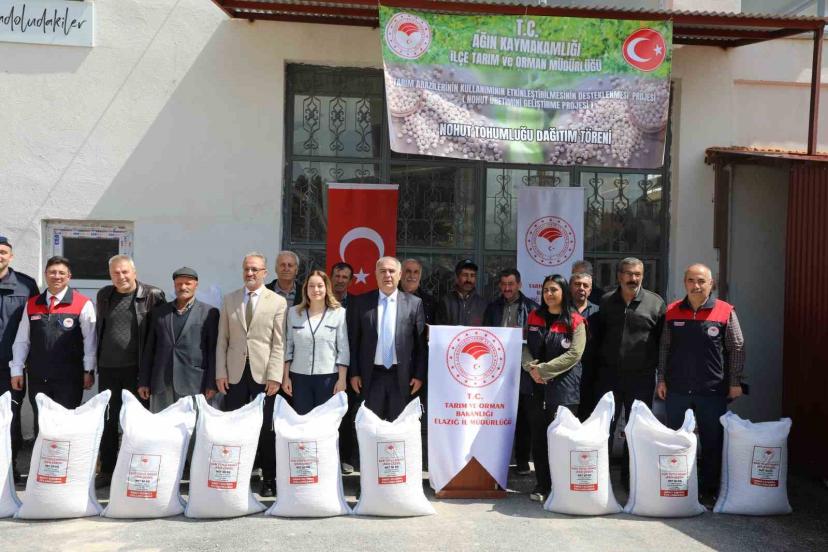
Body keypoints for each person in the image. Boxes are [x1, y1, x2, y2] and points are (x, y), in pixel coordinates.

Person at [657, 263, 745, 503]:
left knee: (712, 441)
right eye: (691, 280)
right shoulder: (672, 310)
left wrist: (735, 381)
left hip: (712, 390)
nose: (696, 285)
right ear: (684, 283)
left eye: (701, 281)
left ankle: (709, 490)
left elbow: (736, 347)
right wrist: (661, 378)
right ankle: (678, 489)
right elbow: (664, 347)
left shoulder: (725, 311)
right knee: (677, 440)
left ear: (711, 284)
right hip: (677, 389)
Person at [216, 252, 287, 497]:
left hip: (264, 375)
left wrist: (275, 375)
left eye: (255, 269)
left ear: (265, 272)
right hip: (234, 375)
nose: (250, 273)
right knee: (235, 426)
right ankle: (236, 477)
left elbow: (279, 343)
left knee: (266, 428)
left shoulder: (277, 302)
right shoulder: (230, 299)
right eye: (247, 269)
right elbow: (222, 340)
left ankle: (269, 479)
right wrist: (220, 372)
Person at [593, 257, 665, 489]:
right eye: (628, 274)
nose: (633, 279)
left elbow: (663, 343)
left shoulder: (655, 303)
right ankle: (601, 477)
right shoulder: (606, 301)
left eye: (638, 274)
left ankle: (630, 479)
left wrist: (661, 376)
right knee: (606, 426)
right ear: (619, 276)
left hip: (641, 378)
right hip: (609, 377)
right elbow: (599, 337)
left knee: (636, 429)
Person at [95, 254, 166, 487]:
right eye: (115, 273)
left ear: (134, 272)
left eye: (125, 271)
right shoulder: (104, 295)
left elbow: (160, 336)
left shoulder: (152, 295)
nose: (121, 276)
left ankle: (137, 469)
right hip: (107, 368)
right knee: (108, 420)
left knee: (136, 421)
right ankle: (107, 470)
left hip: (137, 370)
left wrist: (152, 372)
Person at [10, 256, 96, 434]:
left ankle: (65, 454)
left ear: (69, 276)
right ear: (45, 275)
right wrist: (16, 370)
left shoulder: (82, 303)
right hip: (38, 377)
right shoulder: (32, 304)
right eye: (52, 272)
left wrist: (88, 370)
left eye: (61, 273)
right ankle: (41, 453)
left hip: (69, 378)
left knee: (65, 424)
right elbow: (22, 340)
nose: (57, 276)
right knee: (41, 424)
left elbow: (90, 340)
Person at [524, 274, 586, 502]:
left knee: (561, 440)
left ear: (564, 292)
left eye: (554, 290)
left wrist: (544, 370)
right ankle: (542, 485)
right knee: (539, 439)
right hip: (535, 387)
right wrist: (531, 367)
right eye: (546, 290)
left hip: (564, 389)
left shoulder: (576, 321)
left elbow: (574, 354)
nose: (549, 294)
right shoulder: (534, 316)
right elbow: (524, 346)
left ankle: (562, 488)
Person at [348, 257, 426, 421]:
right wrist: (354, 373)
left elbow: (420, 345)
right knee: (370, 425)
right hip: (371, 376)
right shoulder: (361, 302)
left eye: (391, 271)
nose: (387, 275)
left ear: (400, 275)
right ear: (376, 275)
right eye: (383, 271)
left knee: (398, 426)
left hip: (402, 377)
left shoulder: (414, 303)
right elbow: (354, 342)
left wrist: (419, 375)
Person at [139, 267, 220, 411]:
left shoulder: (209, 313)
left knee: (192, 423)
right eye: (179, 284)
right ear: (174, 285)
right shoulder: (159, 312)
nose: (183, 287)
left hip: (194, 382)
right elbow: (149, 349)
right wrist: (144, 381)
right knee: (163, 423)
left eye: (187, 283)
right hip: (162, 383)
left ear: (196, 285)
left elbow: (213, 351)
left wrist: (211, 383)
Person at [483, 268, 538, 476]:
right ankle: (497, 460)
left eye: (511, 284)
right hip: (497, 370)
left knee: (523, 417)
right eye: (504, 284)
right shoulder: (492, 308)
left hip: (522, 369)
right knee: (497, 416)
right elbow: (485, 335)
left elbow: (536, 341)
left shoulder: (531, 308)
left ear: (519, 285)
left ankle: (522, 461)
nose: (507, 288)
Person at [282, 271, 349, 414]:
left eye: (320, 286)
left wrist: (342, 379)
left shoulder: (339, 313)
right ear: (305, 289)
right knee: (302, 419)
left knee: (325, 421)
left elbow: (343, 349)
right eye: (311, 286)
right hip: (299, 377)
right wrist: (285, 377)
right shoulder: (293, 313)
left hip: (328, 377)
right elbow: (288, 347)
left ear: (327, 288)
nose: (315, 290)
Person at [0, 236, 38, 479]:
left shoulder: (25, 286)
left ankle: (9, 468)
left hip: (11, 367)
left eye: (3, 252)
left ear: (11, 256)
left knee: (10, 417)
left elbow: (36, 324)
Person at [330, 261, 357, 473]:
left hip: (349, 369)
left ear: (350, 281)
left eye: (344, 277)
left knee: (346, 414)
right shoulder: (321, 300)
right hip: (324, 367)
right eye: (337, 276)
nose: (340, 281)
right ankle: (327, 458)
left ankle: (345, 458)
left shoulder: (357, 304)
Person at [570, 271, 600, 421]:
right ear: (570, 287)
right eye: (577, 284)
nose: (581, 288)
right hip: (566, 374)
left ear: (590, 290)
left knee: (588, 418)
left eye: (585, 285)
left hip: (591, 374)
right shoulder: (561, 310)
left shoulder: (599, 312)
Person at [434, 259, 486, 326]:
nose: (469, 279)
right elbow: (439, 328)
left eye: (472, 275)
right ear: (457, 278)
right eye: (465, 275)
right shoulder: (446, 302)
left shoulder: (483, 304)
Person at [400, 258, 436, 324]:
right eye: (408, 271)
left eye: (416, 272)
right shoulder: (390, 297)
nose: (412, 276)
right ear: (400, 274)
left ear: (420, 276)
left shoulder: (430, 302)